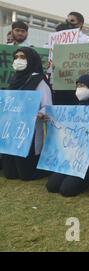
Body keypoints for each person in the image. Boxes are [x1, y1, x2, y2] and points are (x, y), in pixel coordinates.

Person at [46, 74, 89, 197]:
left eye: (83, 85)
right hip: (74, 154)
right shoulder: (78, 108)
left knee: (67, 189)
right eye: (78, 85)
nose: (79, 89)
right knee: (52, 186)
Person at [2, 47, 52, 181]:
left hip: (29, 131)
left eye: (23, 57)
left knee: (26, 174)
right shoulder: (15, 79)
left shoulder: (39, 80)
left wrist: (38, 114)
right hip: (11, 130)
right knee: (10, 174)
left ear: (31, 60)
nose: (18, 60)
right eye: (16, 57)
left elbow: (47, 106)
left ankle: (44, 168)